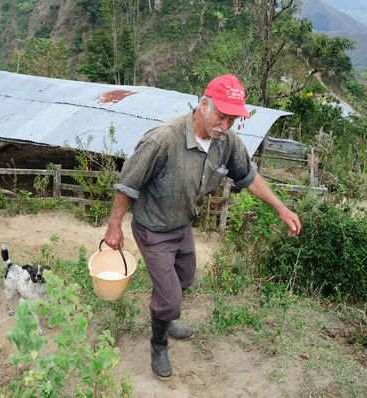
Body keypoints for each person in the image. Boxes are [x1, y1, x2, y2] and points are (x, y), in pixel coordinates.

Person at [103, 74, 302, 380]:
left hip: (182, 225)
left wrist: (281, 207)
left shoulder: (227, 143)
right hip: (152, 228)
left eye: (232, 119)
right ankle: (158, 341)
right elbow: (127, 184)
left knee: (186, 277)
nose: (225, 125)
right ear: (204, 105)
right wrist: (114, 226)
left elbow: (248, 176)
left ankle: (164, 316)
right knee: (170, 300)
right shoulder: (163, 139)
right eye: (221, 116)